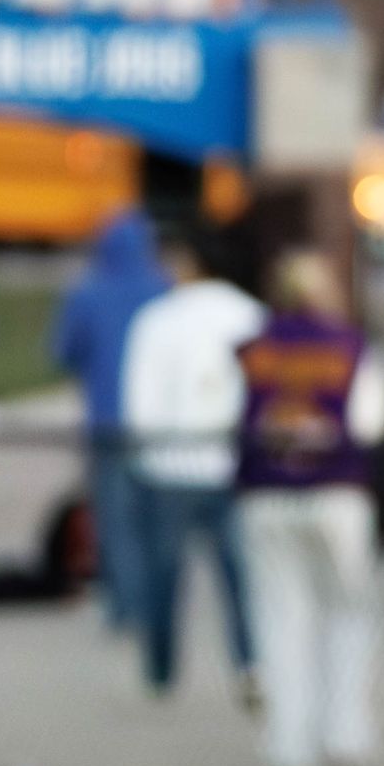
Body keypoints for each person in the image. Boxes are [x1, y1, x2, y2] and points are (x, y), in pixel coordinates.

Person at [235, 251, 384, 766]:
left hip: (264, 494)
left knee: (280, 616)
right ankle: (345, 735)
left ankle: (288, 744)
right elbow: (370, 423)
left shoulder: (251, 347)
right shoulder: (350, 346)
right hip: (337, 493)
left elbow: (229, 415)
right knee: (349, 613)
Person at [120, 228, 265, 703]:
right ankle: (251, 663)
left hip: (169, 466)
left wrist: (142, 454)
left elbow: (139, 402)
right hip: (233, 465)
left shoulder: (157, 320)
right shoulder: (249, 315)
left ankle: (160, 670)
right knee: (241, 577)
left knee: (164, 575)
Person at [55, 210, 174, 631]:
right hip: (160, 426)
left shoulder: (88, 292)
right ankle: (157, 602)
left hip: (107, 422)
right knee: (154, 517)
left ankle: (124, 605)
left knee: (115, 518)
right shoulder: (165, 290)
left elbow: (63, 353)